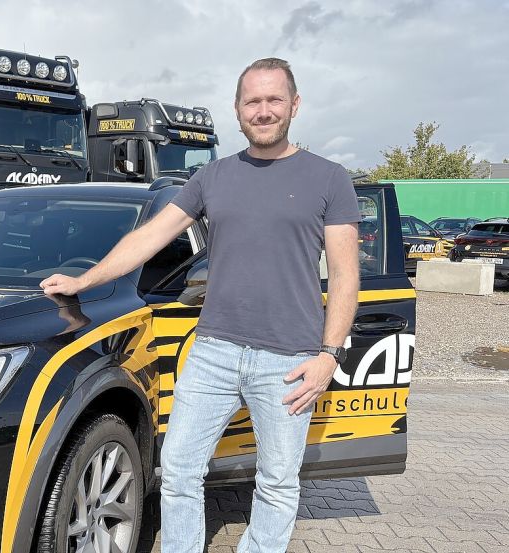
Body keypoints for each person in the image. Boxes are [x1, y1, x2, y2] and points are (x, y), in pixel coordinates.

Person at [40, 58, 360, 552]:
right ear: (237, 110)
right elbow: (149, 237)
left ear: (294, 105)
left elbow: (345, 275)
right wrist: (85, 279)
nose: (263, 110)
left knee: (277, 481)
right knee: (178, 471)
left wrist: (329, 355)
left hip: (291, 359)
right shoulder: (213, 176)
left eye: (274, 99)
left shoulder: (329, 178)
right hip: (213, 353)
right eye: (252, 101)